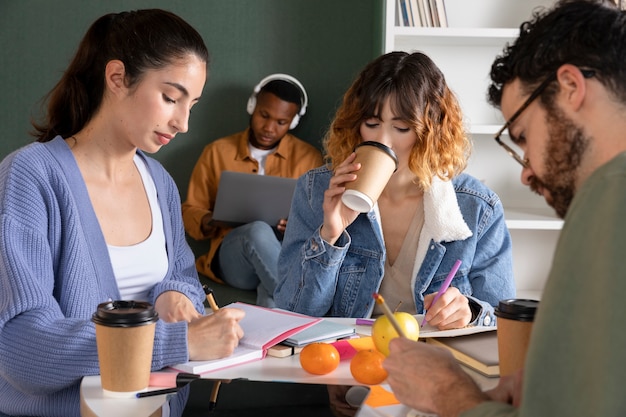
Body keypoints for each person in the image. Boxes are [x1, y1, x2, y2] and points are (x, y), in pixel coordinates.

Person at [383, 1, 626, 416]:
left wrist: (450, 394)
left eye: (523, 136)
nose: (526, 175)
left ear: (570, 86)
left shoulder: (609, 197)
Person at [0, 9, 245, 417]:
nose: (182, 123)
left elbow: (180, 277)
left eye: (192, 105)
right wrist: (180, 341)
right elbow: (24, 348)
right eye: (170, 97)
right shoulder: (29, 176)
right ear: (117, 78)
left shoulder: (159, 181)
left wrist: (173, 295)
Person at [274, 51, 515, 329]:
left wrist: (471, 312)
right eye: (372, 124)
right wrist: (329, 236)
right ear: (356, 125)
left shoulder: (477, 207)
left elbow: (503, 320)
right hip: (346, 360)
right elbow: (290, 314)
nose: (383, 140)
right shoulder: (317, 190)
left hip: (432, 359)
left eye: (401, 127)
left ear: (430, 130)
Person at [182, 74, 323, 307]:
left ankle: (273, 341)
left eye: (281, 122)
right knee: (257, 230)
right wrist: (212, 219)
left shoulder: (309, 158)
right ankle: (305, 305)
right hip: (233, 258)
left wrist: (298, 225)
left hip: (282, 252)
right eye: (264, 115)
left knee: (270, 280)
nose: (269, 128)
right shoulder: (217, 152)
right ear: (252, 107)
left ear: (293, 122)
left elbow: (320, 218)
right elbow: (189, 212)